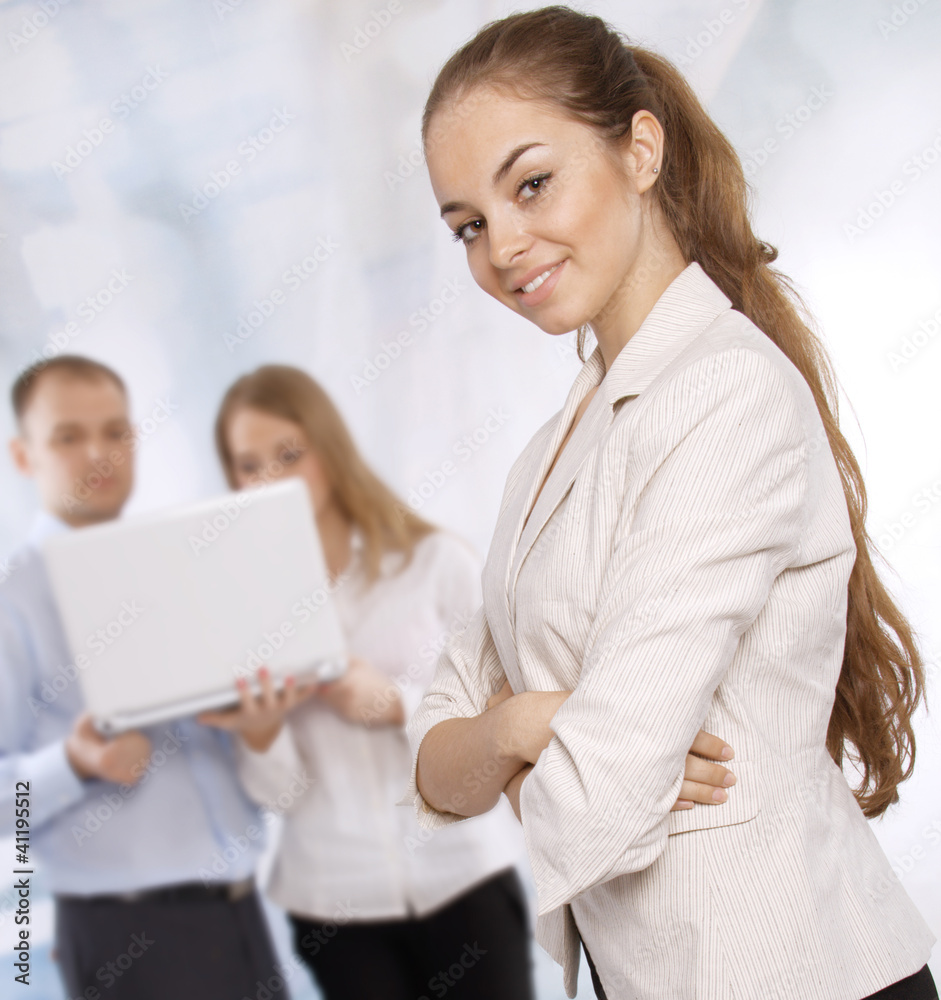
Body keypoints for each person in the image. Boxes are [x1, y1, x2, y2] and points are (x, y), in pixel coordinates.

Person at [402, 7, 938, 1000]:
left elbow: (593, 801)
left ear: (638, 149)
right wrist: (524, 727)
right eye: (469, 225)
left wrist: (525, 756)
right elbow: (432, 752)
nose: (502, 247)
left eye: (530, 184)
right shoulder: (554, 445)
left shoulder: (724, 395)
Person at [198, 364, 736, 1000]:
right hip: (333, 902)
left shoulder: (431, 565)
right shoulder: (243, 609)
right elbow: (281, 796)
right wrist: (261, 735)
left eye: (289, 454)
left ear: (328, 448)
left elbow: (505, 717)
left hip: (463, 879)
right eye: (248, 465)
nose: (271, 480)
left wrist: (389, 705)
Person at [0, 355, 290, 1000]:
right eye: (68, 437)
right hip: (128, 940)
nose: (99, 453)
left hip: (242, 914)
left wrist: (259, 726)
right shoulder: (13, 602)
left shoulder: (181, 569)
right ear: (24, 457)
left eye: (116, 432)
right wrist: (73, 763)